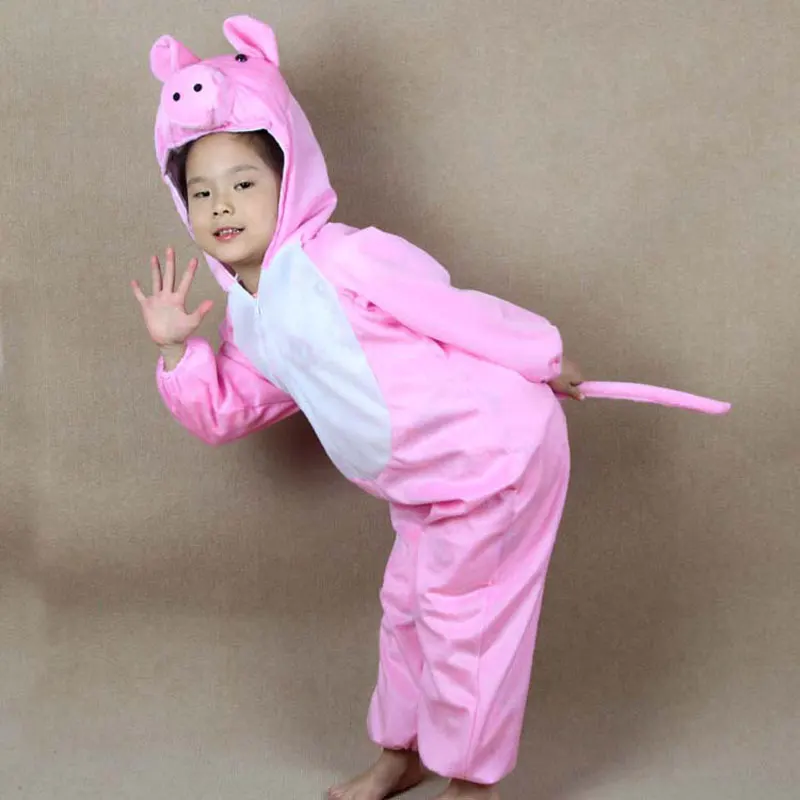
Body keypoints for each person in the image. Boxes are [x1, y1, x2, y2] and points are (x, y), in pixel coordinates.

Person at [132, 16, 729, 800]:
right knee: (408, 612)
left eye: (244, 183)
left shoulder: (345, 257)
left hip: (492, 455)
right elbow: (226, 412)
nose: (223, 205)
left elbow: (452, 310)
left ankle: (473, 784)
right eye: (202, 192)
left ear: (289, 178)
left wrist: (545, 355)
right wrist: (178, 350)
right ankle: (405, 752)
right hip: (424, 483)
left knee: (463, 619)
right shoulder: (251, 313)